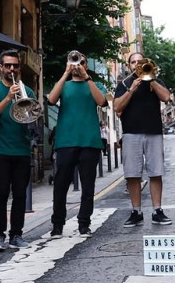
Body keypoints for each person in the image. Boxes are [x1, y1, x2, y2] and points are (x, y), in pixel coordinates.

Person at [47, 52, 107, 238]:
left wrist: (86, 77)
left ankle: (84, 224)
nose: (77, 65)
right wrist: (66, 73)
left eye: (81, 62)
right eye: (74, 62)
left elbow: (101, 102)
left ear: (86, 65)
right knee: (60, 186)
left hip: (89, 141)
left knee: (88, 187)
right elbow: (50, 100)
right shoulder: (64, 85)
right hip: (66, 141)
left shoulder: (95, 84)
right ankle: (57, 225)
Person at [0, 50, 36, 251]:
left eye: (15, 65)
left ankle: (17, 235)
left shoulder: (28, 91)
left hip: (21, 149)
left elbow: (32, 117)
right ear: (0, 68)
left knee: (20, 194)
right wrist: (8, 98)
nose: (12, 69)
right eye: (8, 66)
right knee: (1, 193)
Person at [113, 52, 172, 228]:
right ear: (129, 65)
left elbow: (166, 97)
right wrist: (132, 89)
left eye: (141, 62)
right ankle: (136, 212)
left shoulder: (155, 80)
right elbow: (117, 107)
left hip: (153, 131)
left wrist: (150, 79)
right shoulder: (124, 84)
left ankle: (157, 211)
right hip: (131, 133)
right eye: (133, 62)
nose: (137, 65)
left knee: (156, 172)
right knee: (132, 175)